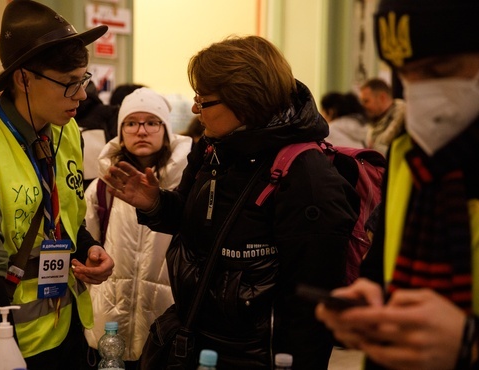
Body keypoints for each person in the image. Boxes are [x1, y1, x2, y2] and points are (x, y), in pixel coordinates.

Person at [103, 35, 358, 369]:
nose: (194, 109)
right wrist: (154, 204)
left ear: (244, 101)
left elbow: (311, 307)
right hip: (195, 337)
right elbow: (194, 224)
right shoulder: (212, 150)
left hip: (254, 357)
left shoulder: (305, 176)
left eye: (204, 100)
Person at [0, 1, 114, 369]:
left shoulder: (67, 132)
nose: (82, 95)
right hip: (11, 339)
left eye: (83, 81)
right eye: (69, 84)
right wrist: (2, 352)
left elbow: (67, 215)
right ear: (23, 79)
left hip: (69, 326)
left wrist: (88, 248)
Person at [316, 1, 479, 369]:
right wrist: (369, 300)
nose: (421, 91)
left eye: (439, 70)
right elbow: (381, 267)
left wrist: (468, 343)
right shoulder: (411, 156)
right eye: (406, 75)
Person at [83, 87, 192, 369]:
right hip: (108, 324)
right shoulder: (103, 188)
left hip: (166, 325)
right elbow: (89, 244)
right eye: (131, 123)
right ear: (120, 131)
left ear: (166, 129)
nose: (141, 131)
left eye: (152, 122)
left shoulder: (186, 186)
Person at [359, 78, 405, 156]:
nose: (363, 106)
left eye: (366, 101)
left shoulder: (403, 117)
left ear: (382, 98)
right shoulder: (373, 120)